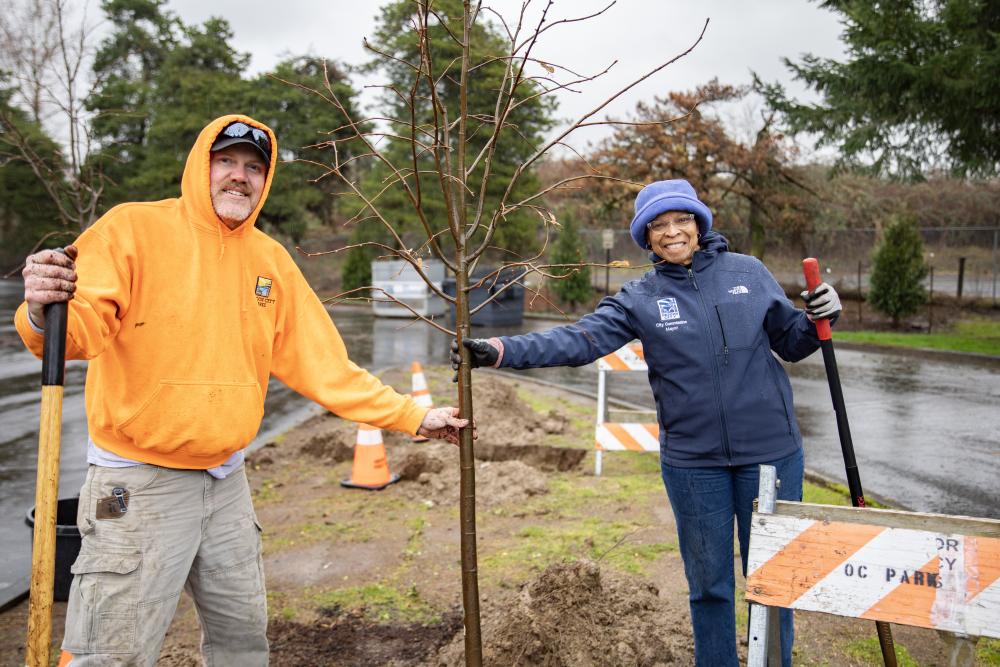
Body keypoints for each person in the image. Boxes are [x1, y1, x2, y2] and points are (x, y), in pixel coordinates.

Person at [16, 115, 469, 666]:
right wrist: (43, 310)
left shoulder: (270, 262)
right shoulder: (131, 230)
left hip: (226, 484)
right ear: (200, 165)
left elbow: (325, 366)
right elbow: (78, 331)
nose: (239, 177)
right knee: (111, 654)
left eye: (254, 167)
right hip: (137, 485)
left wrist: (412, 416)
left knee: (243, 644)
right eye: (226, 161)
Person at [452, 179, 840, 667]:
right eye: (658, 226)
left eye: (681, 220)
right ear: (646, 237)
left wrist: (820, 317)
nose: (672, 232)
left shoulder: (748, 272)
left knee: (774, 579)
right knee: (709, 588)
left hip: (771, 455)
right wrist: (499, 351)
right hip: (693, 465)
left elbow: (793, 341)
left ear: (699, 223)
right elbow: (581, 340)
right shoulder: (640, 297)